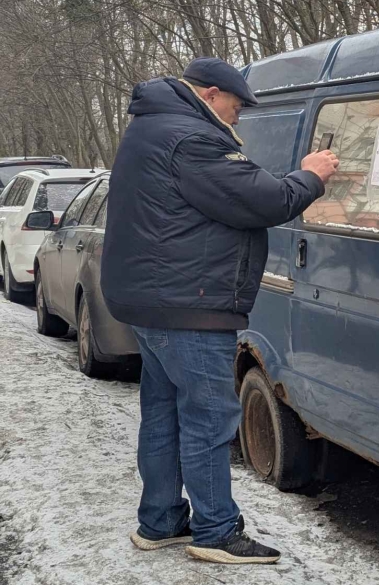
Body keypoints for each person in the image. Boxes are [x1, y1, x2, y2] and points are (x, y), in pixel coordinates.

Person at [101, 57, 339, 565]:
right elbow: (265, 200)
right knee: (209, 420)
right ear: (209, 95)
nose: (237, 118)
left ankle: (160, 520)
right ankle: (215, 532)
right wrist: (311, 176)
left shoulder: (152, 129)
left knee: (163, 414)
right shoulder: (193, 139)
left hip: (155, 302)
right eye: (235, 106)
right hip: (191, 304)